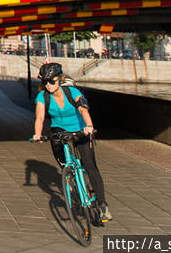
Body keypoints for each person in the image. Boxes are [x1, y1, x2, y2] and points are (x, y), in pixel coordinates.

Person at [31, 62, 112, 222]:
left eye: (52, 81)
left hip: (80, 129)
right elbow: (40, 117)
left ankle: (102, 205)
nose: (48, 85)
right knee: (60, 155)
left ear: (59, 79)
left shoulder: (72, 92)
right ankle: (70, 174)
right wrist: (37, 134)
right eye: (45, 82)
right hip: (59, 129)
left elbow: (83, 109)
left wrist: (89, 126)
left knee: (90, 166)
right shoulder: (42, 97)